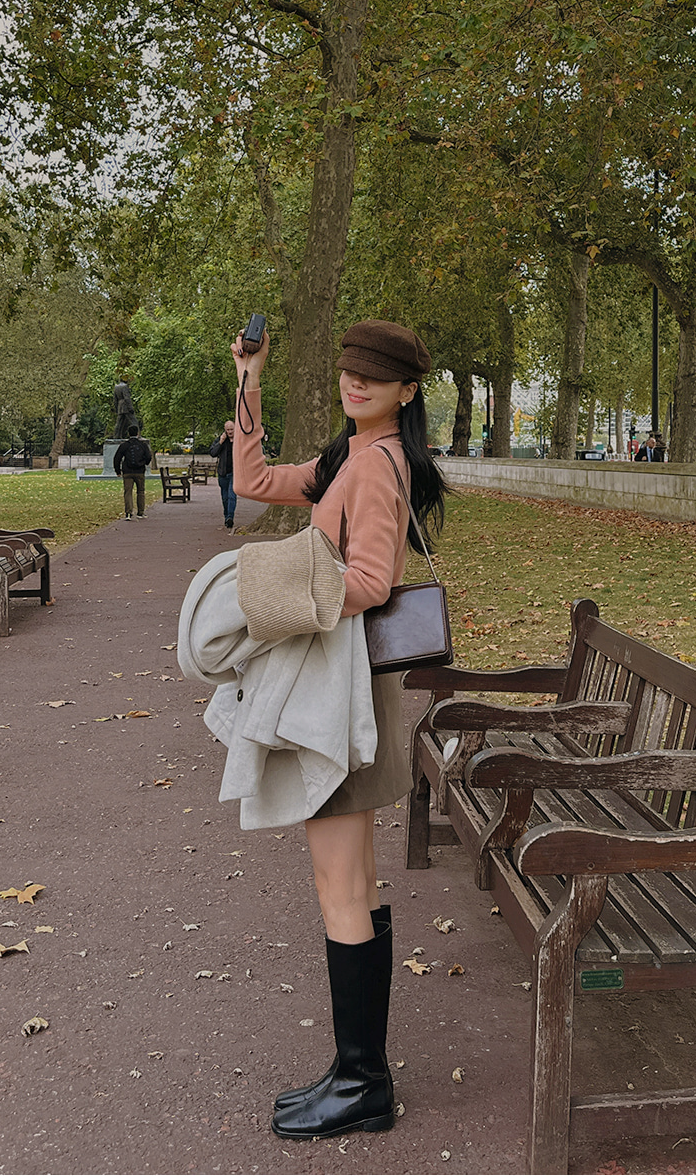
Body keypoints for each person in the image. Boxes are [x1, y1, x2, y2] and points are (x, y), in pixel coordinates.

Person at [229, 318, 449, 1143]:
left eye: (375, 375)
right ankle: (359, 1071)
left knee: (341, 885)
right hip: (347, 691)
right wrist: (249, 377)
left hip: (343, 696)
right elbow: (252, 479)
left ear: (407, 391)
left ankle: (361, 1082)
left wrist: (277, 590)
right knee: (353, 881)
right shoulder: (348, 457)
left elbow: (371, 581)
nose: (355, 382)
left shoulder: (378, 466)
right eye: (350, 369)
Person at [113, 424, 152, 519]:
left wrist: (118, 470)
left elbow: (117, 458)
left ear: (128, 433)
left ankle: (128, 512)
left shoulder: (124, 445)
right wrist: (144, 463)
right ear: (137, 433)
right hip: (140, 471)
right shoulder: (142, 445)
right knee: (140, 491)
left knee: (128, 492)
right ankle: (140, 512)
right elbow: (148, 456)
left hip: (127, 471)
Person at [209, 419, 236, 528]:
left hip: (235, 473)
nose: (230, 432)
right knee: (225, 497)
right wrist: (220, 442)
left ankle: (230, 517)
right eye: (228, 430)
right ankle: (226, 516)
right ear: (225, 430)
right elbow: (212, 453)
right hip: (223, 473)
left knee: (232, 495)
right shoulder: (221, 439)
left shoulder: (240, 440)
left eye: (232, 429)